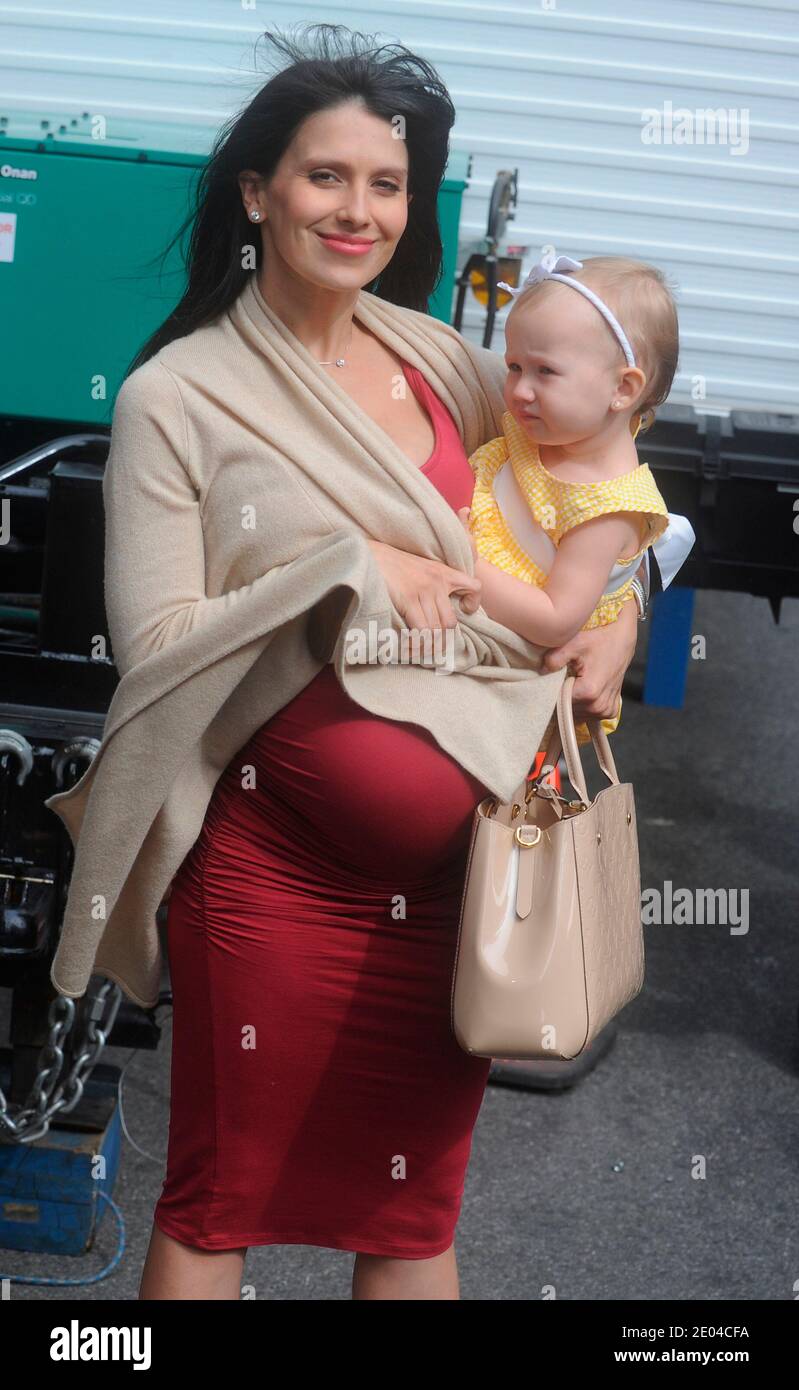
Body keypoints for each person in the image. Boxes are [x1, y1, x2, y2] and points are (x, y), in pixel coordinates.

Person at [96, 26, 647, 1302]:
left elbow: (597, 488)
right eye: (324, 177)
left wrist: (613, 613)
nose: (358, 210)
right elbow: (156, 653)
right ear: (257, 192)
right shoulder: (176, 399)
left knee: (409, 1211)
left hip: (460, 877)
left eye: (386, 184)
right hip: (266, 870)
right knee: (218, 1198)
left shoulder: (441, 360)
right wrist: (341, 570)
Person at [457, 249, 690, 745]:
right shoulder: (546, 433)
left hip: (519, 696)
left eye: (545, 372)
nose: (518, 390)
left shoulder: (606, 507)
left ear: (623, 388)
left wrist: (461, 560)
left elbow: (554, 618)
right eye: (514, 366)